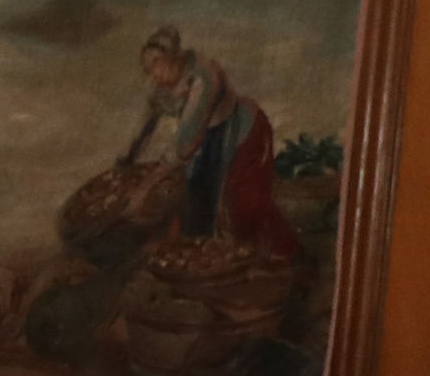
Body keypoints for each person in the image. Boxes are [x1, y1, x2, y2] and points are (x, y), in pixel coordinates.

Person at [120, 24, 300, 262]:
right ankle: (208, 260)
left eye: (155, 65)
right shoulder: (161, 85)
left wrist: (145, 188)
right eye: (147, 68)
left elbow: (185, 143)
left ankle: (290, 257)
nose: (151, 74)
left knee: (245, 203)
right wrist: (128, 158)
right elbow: (147, 123)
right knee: (195, 199)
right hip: (208, 137)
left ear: (173, 59)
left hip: (243, 133)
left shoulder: (203, 79)